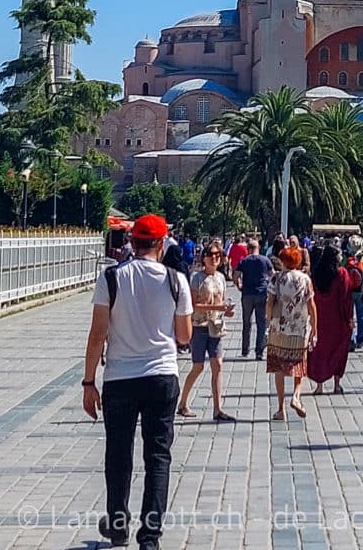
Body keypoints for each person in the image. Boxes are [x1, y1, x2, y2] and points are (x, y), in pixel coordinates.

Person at [82, 214, 193, 549]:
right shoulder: (176, 280)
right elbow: (185, 336)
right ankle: (150, 536)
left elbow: (97, 334)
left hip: (120, 377)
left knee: (118, 454)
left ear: (131, 242)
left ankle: (118, 526)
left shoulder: (112, 278)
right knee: (158, 456)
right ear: (161, 243)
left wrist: (89, 383)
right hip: (161, 376)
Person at [178, 243, 236, 421]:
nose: (215, 257)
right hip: (199, 325)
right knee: (198, 366)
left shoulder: (220, 277)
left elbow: (223, 300)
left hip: (216, 325)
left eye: (218, 254)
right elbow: (194, 305)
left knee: (217, 365)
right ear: (204, 258)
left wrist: (227, 310)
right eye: (211, 254)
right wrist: (218, 306)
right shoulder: (197, 278)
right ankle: (183, 402)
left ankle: (217, 409)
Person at [266, 246, 317, 419]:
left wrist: (269, 320)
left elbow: (269, 302)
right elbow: (311, 305)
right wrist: (314, 328)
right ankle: (296, 396)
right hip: (299, 327)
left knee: (278, 367)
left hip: (279, 327)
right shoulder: (305, 280)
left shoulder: (276, 279)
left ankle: (280, 409)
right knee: (298, 365)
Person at [308, 244, 361, 394]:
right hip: (338, 319)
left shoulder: (316, 273)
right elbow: (346, 298)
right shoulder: (341, 273)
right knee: (338, 350)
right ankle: (337, 384)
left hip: (320, 318)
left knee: (320, 350)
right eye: (338, 255)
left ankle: (319, 385)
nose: (341, 257)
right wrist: (349, 318)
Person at [236, 238, 274, 359]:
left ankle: (245, 350)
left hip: (247, 293)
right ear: (258, 248)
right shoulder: (265, 260)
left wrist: (239, 286)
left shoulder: (244, 261)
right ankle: (259, 351)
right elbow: (273, 274)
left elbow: (235, 275)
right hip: (261, 293)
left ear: (248, 249)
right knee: (261, 323)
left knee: (246, 323)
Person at [345, 237, 363, 349]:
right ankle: (360, 339)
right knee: (361, 315)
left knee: (350, 316)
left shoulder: (346, 259)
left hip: (349, 290)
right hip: (360, 291)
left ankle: (350, 340)